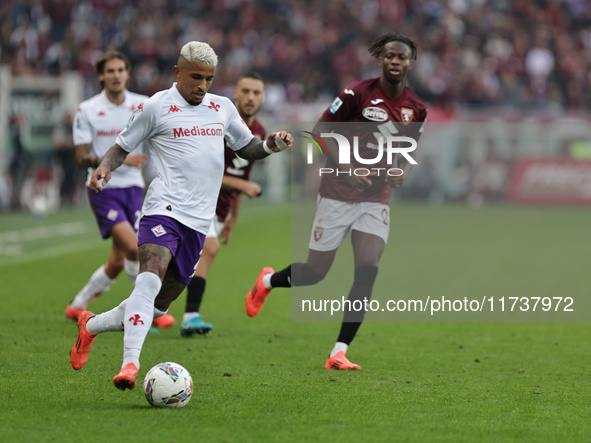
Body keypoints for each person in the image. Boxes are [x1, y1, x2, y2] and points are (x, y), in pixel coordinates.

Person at [70, 41, 292, 391]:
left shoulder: (221, 107)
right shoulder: (156, 106)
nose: (202, 86)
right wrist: (103, 167)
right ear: (177, 73)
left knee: (157, 306)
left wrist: (270, 145)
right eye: (195, 77)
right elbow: (121, 146)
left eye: (208, 78)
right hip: (163, 209)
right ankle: (130, 365)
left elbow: (245, 147)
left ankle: (91, 325)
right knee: (148, 279)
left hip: (199, 222)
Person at [245, 32, 428, 370]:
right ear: (380, 59)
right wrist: (346, 166)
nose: (395, 62)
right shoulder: (356, 94)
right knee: (315, 273)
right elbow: (316, 134)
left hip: (376, 199)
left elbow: (405, 150)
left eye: (401, 57)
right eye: (389, 56)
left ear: (410, 63)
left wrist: (401, 170)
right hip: (337, 194)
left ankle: (338, 351)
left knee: (367, 271)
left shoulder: (416, 108)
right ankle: (268, 281)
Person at [64, 49, 175, 330]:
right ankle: (145, 311)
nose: (116, 76)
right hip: (103, 188)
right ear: (102, 76)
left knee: (117, 261)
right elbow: (80, 157)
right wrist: (117, 160)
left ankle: (78, 304)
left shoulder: (142, 104)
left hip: (135, 189)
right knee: (135, 247)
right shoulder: (87, 109)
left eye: (120, 70)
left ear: (127, 74)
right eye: (110, 71)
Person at [181, 72, 266, 337]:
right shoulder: (220, 123)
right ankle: (189, 316)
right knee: (209, 248)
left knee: (182, 263)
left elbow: (244, 175)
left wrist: (233, 218)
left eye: (257, 93)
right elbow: (207, 169)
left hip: (219, 209)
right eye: (246, 91)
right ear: (236, 94)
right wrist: (243, 187)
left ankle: (148, 314)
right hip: (196, 198)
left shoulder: (258, 132)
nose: (251, 97)